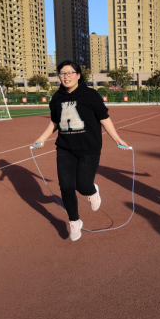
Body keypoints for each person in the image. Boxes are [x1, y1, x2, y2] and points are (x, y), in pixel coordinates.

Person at [33, 61, 130, 241]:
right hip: (65, 148)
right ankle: (74, 221)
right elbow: (55, 122)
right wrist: (42, 138)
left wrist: (117, 139)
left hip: (89, 148)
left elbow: (104, 118)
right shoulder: (56, 98)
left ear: (78, 75)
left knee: (83, 186)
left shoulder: (90, 95)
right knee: (66, 187)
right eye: (62, 73)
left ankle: (92, 191)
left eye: (70, 73)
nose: (66, 76)